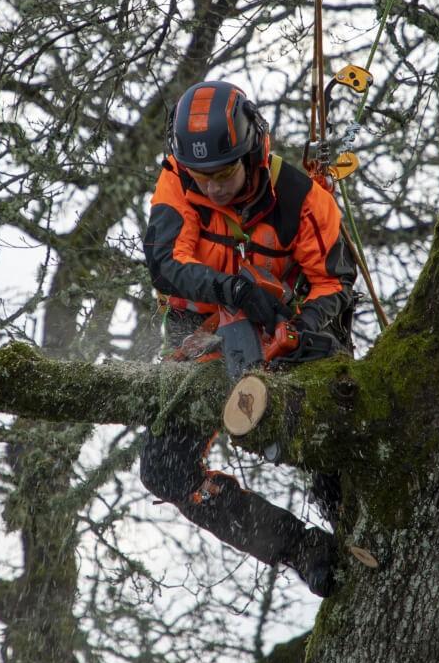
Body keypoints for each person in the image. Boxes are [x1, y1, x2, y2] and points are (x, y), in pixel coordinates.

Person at [141, 80, 357, 597]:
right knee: (164, 470)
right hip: (202, 334)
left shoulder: (302, 198)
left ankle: (349, 517)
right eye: (202, 176)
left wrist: (301, 327)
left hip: (285, 325)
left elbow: (334, 281)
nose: (213, 188)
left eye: (223, 174)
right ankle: (300, 548)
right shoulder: (176, 184)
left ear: (252, 150)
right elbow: (166, 264)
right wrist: (232, 289)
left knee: (325, 432)